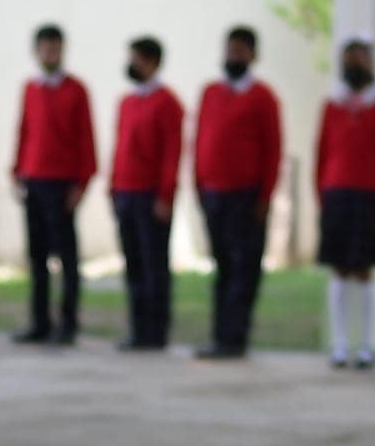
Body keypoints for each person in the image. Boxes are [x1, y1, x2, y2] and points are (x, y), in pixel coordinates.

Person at [194, 27, 282, 358]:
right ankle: (219, 335)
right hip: (214, 194)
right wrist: (199, 185)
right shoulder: (210, 93)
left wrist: (264, 197)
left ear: (253, 56)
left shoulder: (263, 98)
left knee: (245, 268)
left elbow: (273, 150)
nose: (234, 56)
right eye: (230, 49)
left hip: (246, 197)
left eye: (241, 50)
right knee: (221, 269)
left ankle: (236, 337)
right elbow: (200, 140)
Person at [316, 38, 375, 370]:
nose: (354, 65)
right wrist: (321, 196)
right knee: (339, 268)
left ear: (371, 64)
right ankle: (339, 346)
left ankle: (366, 345)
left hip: (368, 197)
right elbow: (321, 155)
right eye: (348, 59)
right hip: (336, 194)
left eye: (360, 59)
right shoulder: (332, 106)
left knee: (363, 270)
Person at [12, 24, 97, 346]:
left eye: (56, 49)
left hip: (62, 184)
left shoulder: (76, 90)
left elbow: (86, 139)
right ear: (36, 52)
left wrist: (81, 184)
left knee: (67, 258)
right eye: (46, 49)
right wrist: (17, 171)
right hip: (33, 180)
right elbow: (24, 131)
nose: (51, 54)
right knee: (37, 258)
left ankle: (69, 322)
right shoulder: (31, 89)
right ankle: (40, 322)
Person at [110, 35, 184, 352]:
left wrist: (165, 196)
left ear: (151, 62)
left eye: (136, 58)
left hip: (150, 196)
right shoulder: (127, 101)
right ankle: (138, 328)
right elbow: (120, 148)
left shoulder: (168, 103)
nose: (131, 64)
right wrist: (112, 186)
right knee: (133, 265)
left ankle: (156, 330)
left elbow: (172, 154)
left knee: (154, 265)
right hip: (125, 192)